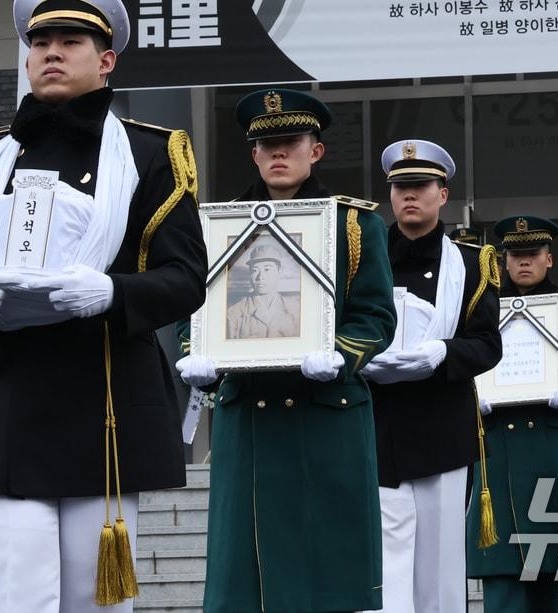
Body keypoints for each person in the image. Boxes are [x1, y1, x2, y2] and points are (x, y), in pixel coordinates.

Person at [0, 0, 207, 611]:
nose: (51, 52)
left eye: (72, 41)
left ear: (106, 60)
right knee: (14, 590)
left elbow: (186, 277)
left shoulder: (151, 152)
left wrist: (110, 293)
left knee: (94, 597)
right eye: (40, 40)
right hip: (11, 403)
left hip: (104, 398)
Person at [176, 88, 396, 612]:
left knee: (325, 579)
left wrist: (339, 354)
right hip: (249, 414)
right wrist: (196, 353)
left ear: (315, 150)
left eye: (291, 142)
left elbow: (375, 315)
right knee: (245, 583)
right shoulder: (218, 226)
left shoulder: (353, 224)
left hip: (324, 412)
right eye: (266, 144)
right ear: (252, 153)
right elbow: (196, 308)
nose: (279, 153)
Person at [359, 139, 502, 612]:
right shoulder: (362, 253)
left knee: (440, 561)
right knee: (387, 553)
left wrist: (441, 353)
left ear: (443, 194)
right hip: (381, 422)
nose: (409, 196)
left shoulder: (472, 261)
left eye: (420, 186)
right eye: (400, 188)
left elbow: (487, 343)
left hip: (442, 422)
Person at [467, 216, 558, 613]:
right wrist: (473, 395)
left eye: (532, 255)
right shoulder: (482, 306)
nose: (523, 263)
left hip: (550, 444)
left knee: (549, 571)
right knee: (502, 572)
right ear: (503, 261)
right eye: (515, 255)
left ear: (549, 259)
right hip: (499, 445)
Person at [225, 239, 300, 338]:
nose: (260, 276)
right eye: (255, 270)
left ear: (279, 271)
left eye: (267, 269)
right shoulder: (234, 314)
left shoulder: (295, 310)